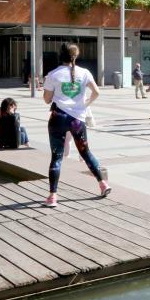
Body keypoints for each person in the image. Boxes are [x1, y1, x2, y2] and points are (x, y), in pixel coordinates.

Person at [42, 43, 110, 207]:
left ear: (61, 55)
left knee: (56, 157)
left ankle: (52, 197)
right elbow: (97, 92)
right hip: (77, 121)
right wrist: (84, 105)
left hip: (58, 118)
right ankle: (103, 184)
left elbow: (46, 99)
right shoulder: (85, 73)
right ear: (76, 56)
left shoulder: (53, 74)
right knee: (86, 152)